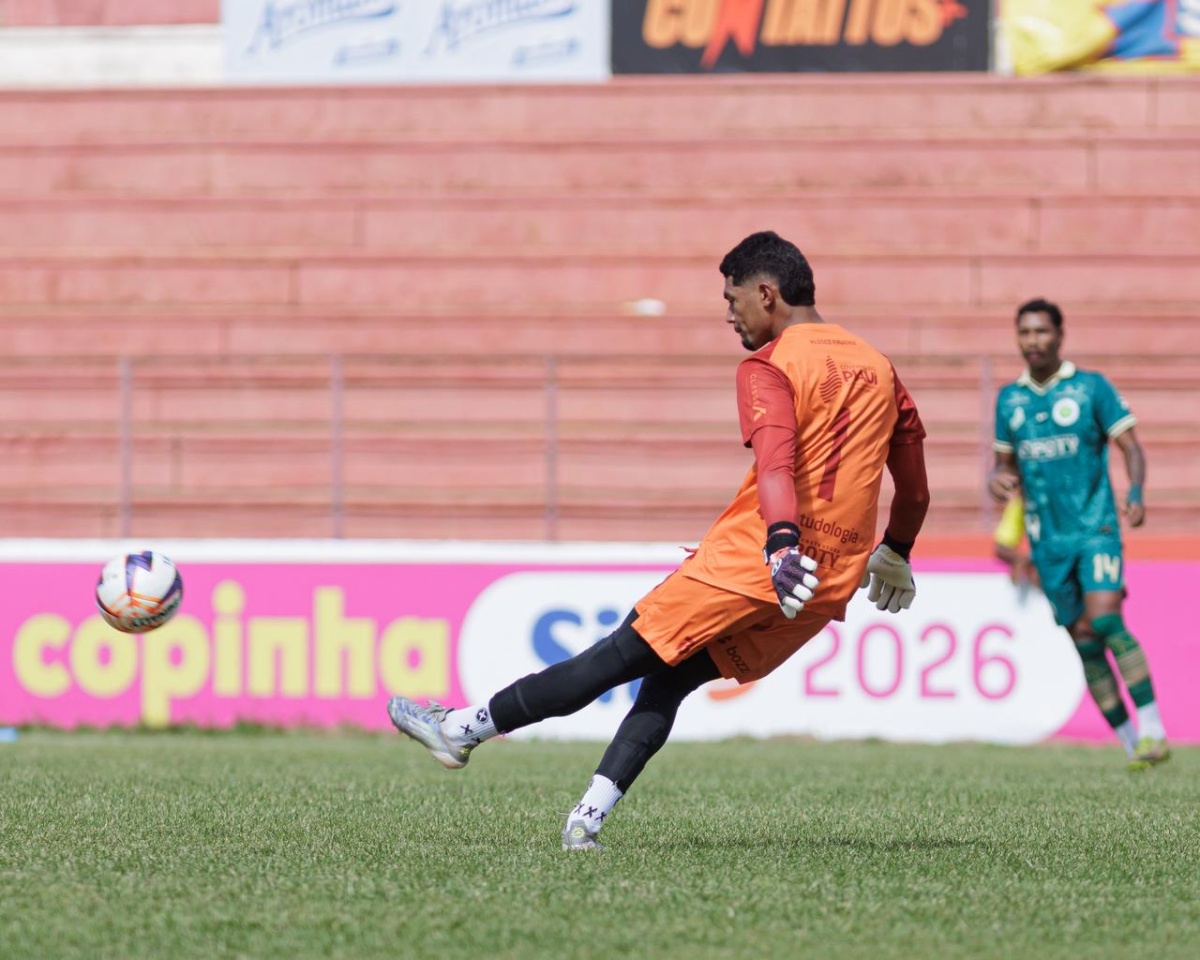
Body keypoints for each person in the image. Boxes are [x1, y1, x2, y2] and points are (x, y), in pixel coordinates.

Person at [387, 231, 930, 849]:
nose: (730, 315)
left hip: (760, 563)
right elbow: (913, 488)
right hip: (826, 583)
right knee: (671, 681)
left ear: (766, 293)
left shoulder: (771, 364)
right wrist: (899, 548)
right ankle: (585, 822)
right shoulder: (880, 367)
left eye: (732, 301)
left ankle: (462, 730)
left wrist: (780, 544)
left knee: (612, 659)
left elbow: (777, 463)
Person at [989, 297, 1168, 771]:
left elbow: (1131, 445)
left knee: (1106, 621)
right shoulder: (1010, 400)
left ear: (1060, 335)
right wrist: (997, 479)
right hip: (1047, 542)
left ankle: (1153, 727)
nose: (1032, 341)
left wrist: (1137, 491)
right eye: (1024, 332)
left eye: (1041, 332)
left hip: (1096, 528)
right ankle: (1133, 745)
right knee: (1084, 639)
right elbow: (1002, 465)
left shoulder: (1091, 388)